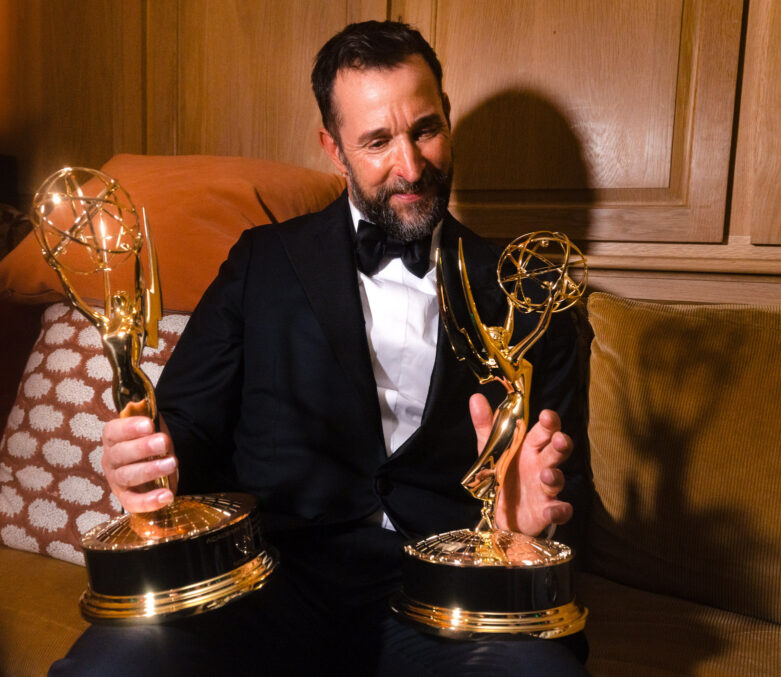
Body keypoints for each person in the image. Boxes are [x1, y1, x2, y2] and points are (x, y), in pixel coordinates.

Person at [50, 20, 589, 677]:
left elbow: (567, 490)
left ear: (448, 118)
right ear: (333, 149)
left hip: (452, 593)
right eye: (378, 141)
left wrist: (530, 528)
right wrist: (147, 468)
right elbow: (185, 424)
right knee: (111, 666)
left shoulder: (532, 291)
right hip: (269, 581)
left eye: (425, 129)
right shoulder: (261, 263)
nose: (411, 166)